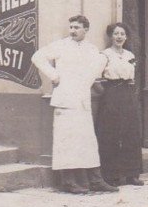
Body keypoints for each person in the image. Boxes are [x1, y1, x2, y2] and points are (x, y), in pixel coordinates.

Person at [32, 15, 117, 194]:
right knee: (66, 141)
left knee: (87, 142)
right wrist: (54, 75)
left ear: (86, 30)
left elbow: (97, 67)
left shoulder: (92, 50)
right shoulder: (61, 45)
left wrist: (91, 79)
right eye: (71, 27)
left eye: (77, 27)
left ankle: (95, 179)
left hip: (82, 101)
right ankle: (68, 181)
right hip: (65, 99)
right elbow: (37, 57)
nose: (72, 31)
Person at [95, 22, 144, 187]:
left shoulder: (130, 55)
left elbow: (132, 78)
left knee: (131, 133)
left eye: (122, 34)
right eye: (116, 34)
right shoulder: (105, 55)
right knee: (110, 134)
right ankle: (111, 175)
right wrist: (106, 94)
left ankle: (132, 174)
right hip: (110, 94)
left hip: (127, 94)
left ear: (126, 37)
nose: (119, 37)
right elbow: (96, 78)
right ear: (111, 36)